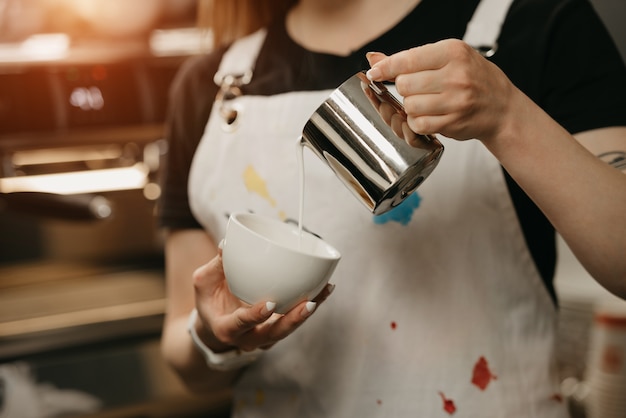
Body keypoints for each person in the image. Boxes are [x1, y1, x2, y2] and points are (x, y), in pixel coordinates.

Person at [157, 0, 626, 416]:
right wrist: (214, 338)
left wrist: (506, 114)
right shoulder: (209, 87)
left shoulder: (535, 21)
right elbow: (186, 360)